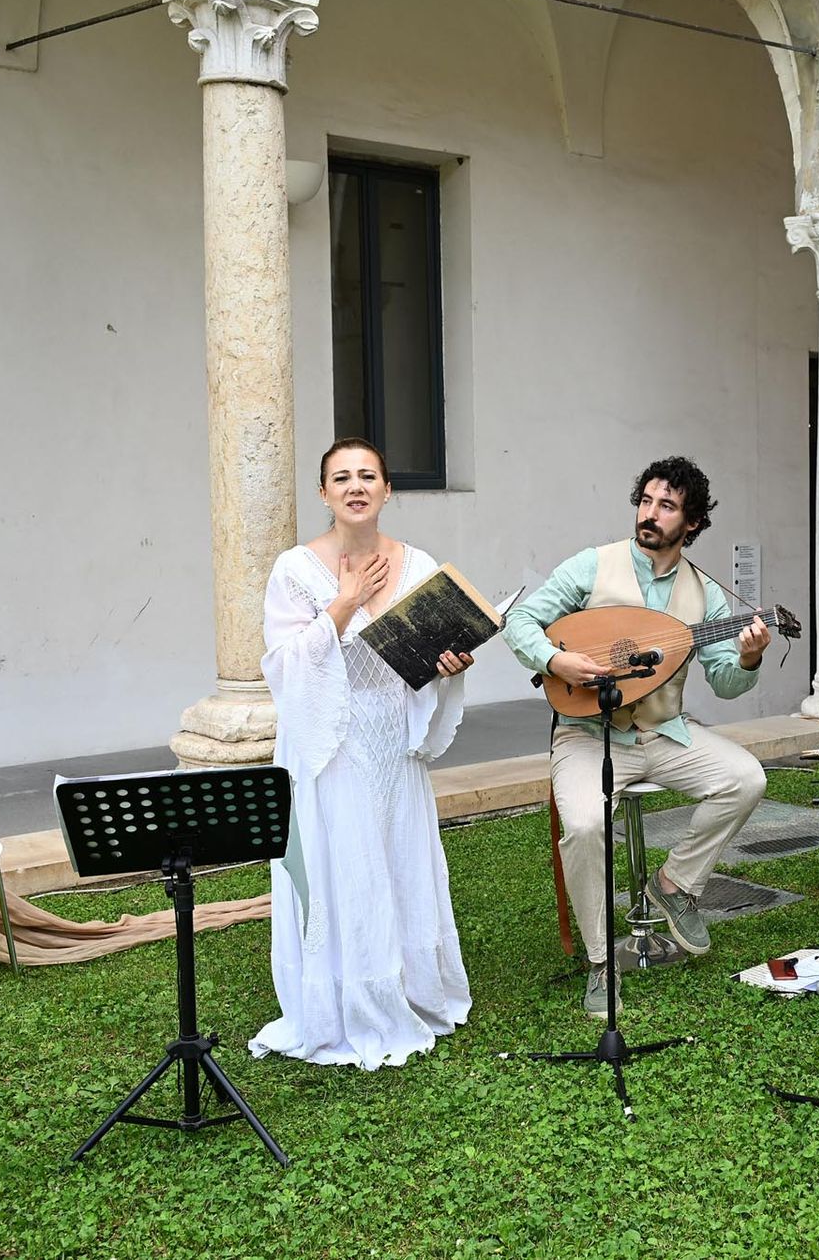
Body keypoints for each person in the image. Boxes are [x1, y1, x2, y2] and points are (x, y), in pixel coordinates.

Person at [504, 456, 771, 1018]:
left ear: (691, 523)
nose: (650, 514)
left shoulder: (707, 595)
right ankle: (603, 963)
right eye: (646, 501)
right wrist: (558, 660)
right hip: (586, 734)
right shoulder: (592, 565)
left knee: (746, 778)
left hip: (664, 732)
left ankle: (673, 886)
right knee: (582, 824)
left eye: (667, 506)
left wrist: (747, 659)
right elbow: (522, 620)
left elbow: (724, 683)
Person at [249, 438, 475, 1069]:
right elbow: (285, 666)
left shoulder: (419, 563)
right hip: (332, 746)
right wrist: (344, 604)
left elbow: (426, 659)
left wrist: (449, 664)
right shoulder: (294, 569)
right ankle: (346, 1004)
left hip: (392, 741)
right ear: (323, 493)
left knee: (398, 863)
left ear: (386, 490)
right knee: (345, 868)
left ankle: (410, 990)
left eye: (367, 476)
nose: (355, 486)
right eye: (341, 477)